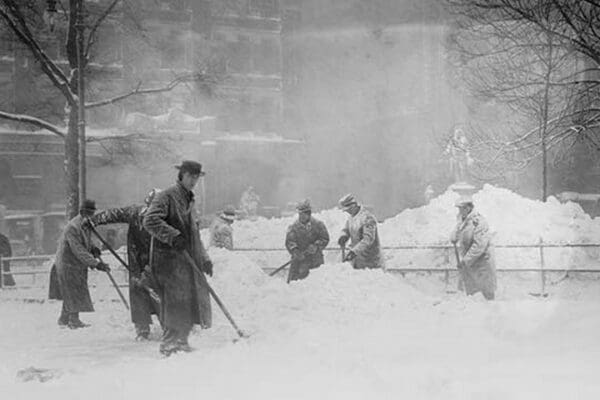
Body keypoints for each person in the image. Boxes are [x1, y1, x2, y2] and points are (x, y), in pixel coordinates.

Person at [143, 160, 213, 356]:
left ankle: (181, 340)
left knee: (188, 301)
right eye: (190, 176)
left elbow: (194, 233)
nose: (193, 181)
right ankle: (169, 343)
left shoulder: (190, 200)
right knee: (175, 301)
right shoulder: (166, 196)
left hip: (186, 260)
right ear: (181, 175)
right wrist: (173, 236)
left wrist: (205, 258)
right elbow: (150, 220)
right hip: (168, 261)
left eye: (196, 177)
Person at [89, 189, 162, 340]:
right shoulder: (134, 213)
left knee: (162, 293)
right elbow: (113, 214)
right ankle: (142, 329)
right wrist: (95, 220)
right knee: (139, 293)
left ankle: (169, 326)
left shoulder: (165, 219)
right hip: (137, 261)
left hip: (159, 262)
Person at [50, 200, 110, 329]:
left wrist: (93, 248)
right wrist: (96, 264)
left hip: (76, 264)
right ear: (82, 212)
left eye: (93, 213)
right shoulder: (73, 227)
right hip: (67, 264)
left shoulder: (85, 224)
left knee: (72, 290)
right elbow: (78, 249)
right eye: (89, 213)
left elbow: (85, 242)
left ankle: (64, 318)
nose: (92, 216)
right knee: (73, 290)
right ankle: (73, 320)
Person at [450, 195, 496, 300]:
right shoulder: (463, 220)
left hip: (482, 263)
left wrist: (466, 261)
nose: (460, 211)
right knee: (472, 295)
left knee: (486, 293)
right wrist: (454, 237)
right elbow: (457, 231)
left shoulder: (479, 222)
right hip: (471, 263)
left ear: (468, 208)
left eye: (461, 208)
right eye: (459, 208)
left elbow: (479, 245)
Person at [284, 200, 330, 282]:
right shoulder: (293, 227)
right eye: (300, 214)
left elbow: (325, 238)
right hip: (299, 262)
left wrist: (316, 246)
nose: (301, 216)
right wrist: (295, 251)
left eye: (304, 214)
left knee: (317, 285)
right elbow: (290, 242)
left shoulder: (318, 225)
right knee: (295, 286)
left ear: (309, 214)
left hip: (316, 261)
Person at [337, 194, 384, 270]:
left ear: (354, 205)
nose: (347, 212)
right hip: (358, 260)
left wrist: (354, 252)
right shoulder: (351, 218)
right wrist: (343, 236)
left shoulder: (367, 218)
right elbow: (346, 229)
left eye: (348, 210)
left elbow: (368, 239)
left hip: (370, 261)